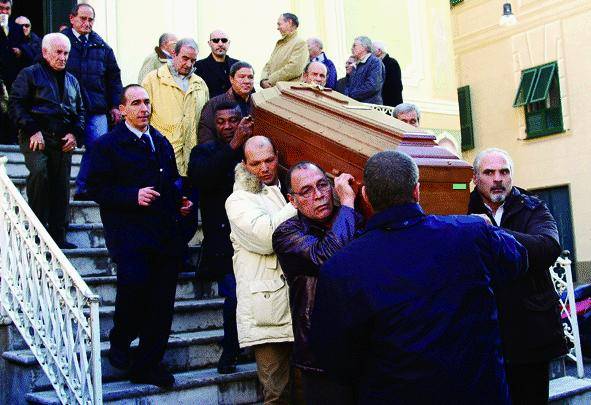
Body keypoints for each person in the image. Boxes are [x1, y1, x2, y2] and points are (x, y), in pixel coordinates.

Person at [311, 150, 529, 404]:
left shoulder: (340, 268)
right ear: (417, 191)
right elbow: (518, 260)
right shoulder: (470, 233)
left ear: (366, 196)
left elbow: (333, 358)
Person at [86, 84, 193, 389]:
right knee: (134, 291)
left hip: (164, 235)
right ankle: (120, 339)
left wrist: (180, 203)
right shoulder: (107, 145)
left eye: (147, 102)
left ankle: (148, 364)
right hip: (130, 236)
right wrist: (131, 195)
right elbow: (95, 188)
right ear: (121, 110)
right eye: (136, 103)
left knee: (162, 303)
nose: (144, 108)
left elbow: (170, 181)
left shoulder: (160, 141)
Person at [468, 148, 567, 404]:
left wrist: (492, 232)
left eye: (504, 171)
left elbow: (547, 247)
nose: (497, 178)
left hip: (530, 337)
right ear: (475, 177)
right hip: (482, 337)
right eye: (489, 172)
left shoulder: (532, 207)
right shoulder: (461, 208)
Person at [273, 162, 363, 404]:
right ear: (292, 200)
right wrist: (347, 204)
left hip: (364, 349)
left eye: (322, 184)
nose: (319, 195)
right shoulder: (286, 233)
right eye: (306, 191)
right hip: (321, 357)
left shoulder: (353, 219)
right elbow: (327, 257)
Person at [225, 136, 297, 404]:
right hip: (267, 312)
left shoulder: (286, 188)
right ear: (245, 164)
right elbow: (267, 237)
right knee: (276, 395)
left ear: (277, 156)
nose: (265, 168)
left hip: (296, 305)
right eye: (256, 164)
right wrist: (298, 202)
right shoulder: (238, 200)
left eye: (269, 160)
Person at [188, 102, 253, 374]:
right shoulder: (203, 152)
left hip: (253, 237)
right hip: (223, 242)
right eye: (222, 122)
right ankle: (230, 350)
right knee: (234, 297)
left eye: (233, 120)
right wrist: (233, 146)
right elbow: (203, 178)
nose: (228, 126)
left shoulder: (254, 150)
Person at [9, 33, 84, 249]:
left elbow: (80, 111)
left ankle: (58, 236)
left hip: (62, 140)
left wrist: (75, 134)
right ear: (44, 52)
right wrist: (32, 129)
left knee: (61, 186)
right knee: (40, 173)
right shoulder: (29, 74)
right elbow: (16, 104)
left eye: (66, 53)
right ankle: (38, 233)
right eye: (58, 52)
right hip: (36, 137)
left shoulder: (72, 81)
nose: (63, 57)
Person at [63, 3, 123, 199]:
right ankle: (60, 191)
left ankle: (84, 186)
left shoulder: (103, 47)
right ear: (72, 18)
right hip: (66, 108)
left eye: (91, 20)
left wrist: (115, 105)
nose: (87, 23)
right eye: (83, 19)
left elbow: (114, 78)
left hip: (96, 107)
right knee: (64, 149)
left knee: (98, 146)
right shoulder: (61, 43)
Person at [142, 37, 209, 177]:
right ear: (174, 54)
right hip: (162, 156)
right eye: (185, 58)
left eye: (193, 60)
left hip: (192, 158)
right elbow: (143, 118)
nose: (189, 64)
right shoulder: (152, 80)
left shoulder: (200, 84)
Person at [197, 61, 254, 146]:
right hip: (225, 156)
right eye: (241, 77)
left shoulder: (257, 104)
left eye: (250, 77)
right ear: (231, 79)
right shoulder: (214, 104)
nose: (247, 81)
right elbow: (206, 139)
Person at [260, 13, 308, 89]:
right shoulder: (280, 44)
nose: (277, 28)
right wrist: (263, 80)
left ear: (289, 22)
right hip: (273, 90)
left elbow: (294, 69)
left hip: (287, 92)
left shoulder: (300, 43)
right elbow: (268, 65)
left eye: (279, 24)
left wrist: (270, 80)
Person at [0, 0, 25, 144]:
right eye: (1, 8)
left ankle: (11, 140)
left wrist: (20, 51)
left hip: (13, 77)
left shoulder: (16, 28)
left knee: (12, 108)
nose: (3, 12)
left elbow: (26, 47)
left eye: (6, 9)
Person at [195, 30, 239, 98]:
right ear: (209, 43)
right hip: (210, 107)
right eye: (216, 40)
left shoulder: (238, 65)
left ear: (229, 43)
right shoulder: (198, 66)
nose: (220, 44)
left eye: (224, 40)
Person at [346, 36, 385, 104]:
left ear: (364, 47)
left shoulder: (375, 62)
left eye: (354, 45)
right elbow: (349, 84)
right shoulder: (357, 63)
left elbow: (373, 86)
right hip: (356, 104)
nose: (352, 48)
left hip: (369, 107)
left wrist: (351, 95)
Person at [373, 41, 403, 107]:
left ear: (379, 51)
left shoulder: (392, 63)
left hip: (390, 103)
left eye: (372, 51)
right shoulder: (375, 64)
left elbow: (395, 86)